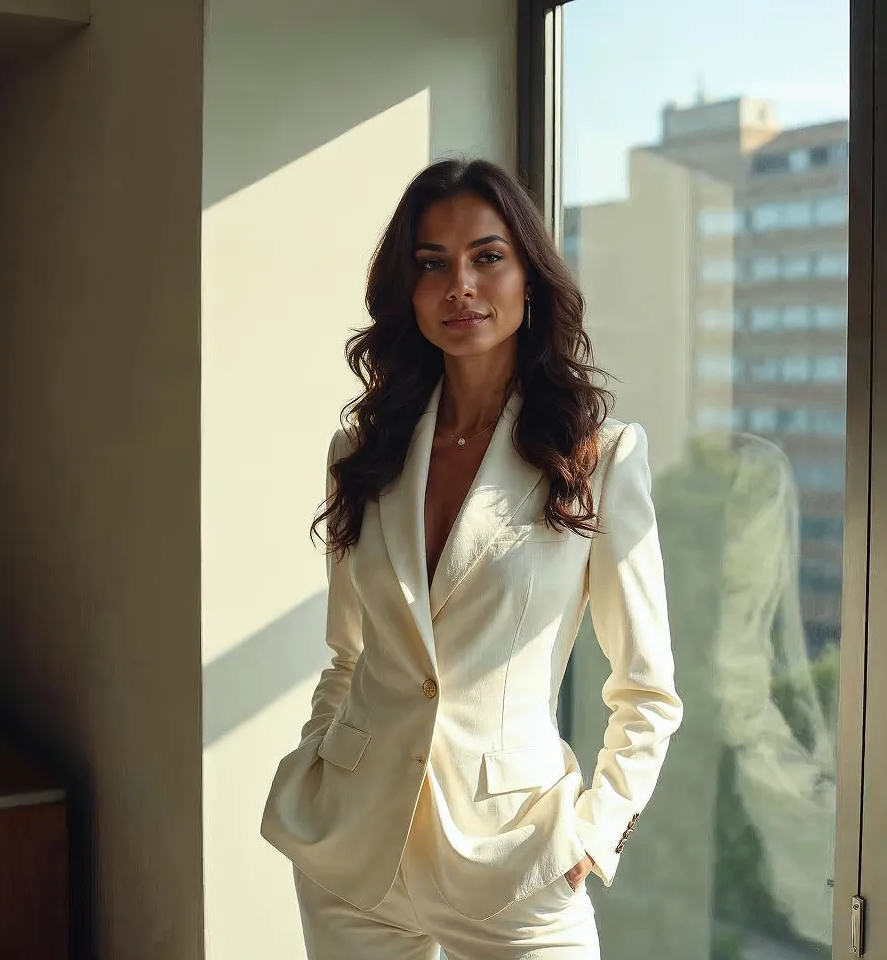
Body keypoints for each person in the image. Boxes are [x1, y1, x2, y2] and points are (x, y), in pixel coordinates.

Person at [261, 158, 683, 960]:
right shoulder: (362, 451)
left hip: (514, 856)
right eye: (433, 264)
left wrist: (595, 831)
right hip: (354, 849)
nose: (460, 286)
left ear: (530, 279)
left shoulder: (598, 458)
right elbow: (349, 653)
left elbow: (648, 690)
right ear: (409, 291)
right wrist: (322, 765)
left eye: (488, 257)